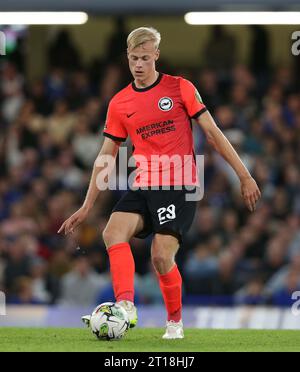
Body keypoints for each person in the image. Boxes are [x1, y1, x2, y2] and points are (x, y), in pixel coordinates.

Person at [58, 27, 261, 339]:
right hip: (144, 183)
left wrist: (244, 176)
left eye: (144, 58)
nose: (139, 64)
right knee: (112, 232)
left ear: (156, 56)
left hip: (179, 184)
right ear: (127, 57)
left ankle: (175, 323)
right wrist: (87, 205)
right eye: (133, 58)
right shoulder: (120, 103)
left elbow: (213, 132)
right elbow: (106, 155)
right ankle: (125, 306)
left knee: (160, 256)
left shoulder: (180, 88)